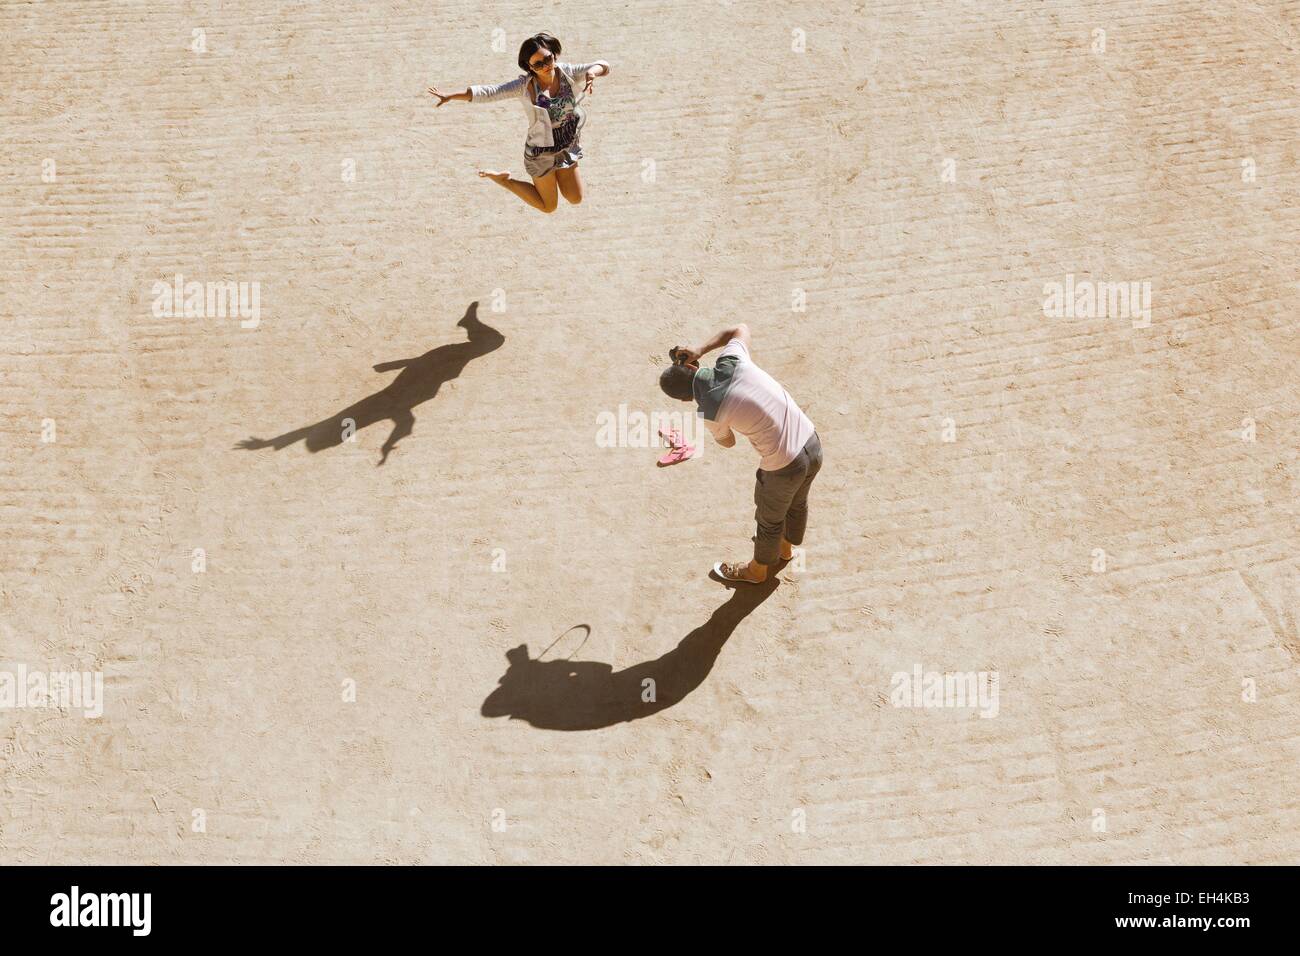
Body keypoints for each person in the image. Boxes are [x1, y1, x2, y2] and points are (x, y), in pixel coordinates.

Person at [659, 324, 823, 584]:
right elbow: (740, 328)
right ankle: (785, 549)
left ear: (684, 400)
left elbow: (728, 442)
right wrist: (700, 348)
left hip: (783, 464)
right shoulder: (733, 360)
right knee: (797, 502)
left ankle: (757, 571)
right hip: (812, 442)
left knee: (769, 520)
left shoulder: (708, 410)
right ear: (692, 365)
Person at [427, 33, 611, 213]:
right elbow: (491, 91)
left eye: (548, 59)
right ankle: (504, 180)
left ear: (554, 54)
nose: (546, 66)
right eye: (538, 64)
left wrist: (591, 73)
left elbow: (603, 65)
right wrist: (452, 96)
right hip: (541, 152)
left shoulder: (567, 72)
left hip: (567, 146)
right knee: (549, 206)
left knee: (575, 198)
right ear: (529, 67)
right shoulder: (525, 86)